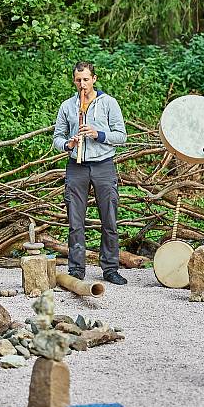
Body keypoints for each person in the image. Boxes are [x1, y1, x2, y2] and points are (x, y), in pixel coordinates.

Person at [53, 61, 128, 285]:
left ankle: (110, 269)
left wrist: (99, 134)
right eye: (78, 80)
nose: (82, 84)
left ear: (94, 79)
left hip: (104, 164)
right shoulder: (67, 106)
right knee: (75, 221)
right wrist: (68, 144)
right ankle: (76, 270)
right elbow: (57, 137)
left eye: (86, 79)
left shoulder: (108, 103)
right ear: (74, 81)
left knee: (109, 219)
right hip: (76, 166)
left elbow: (122, 136)